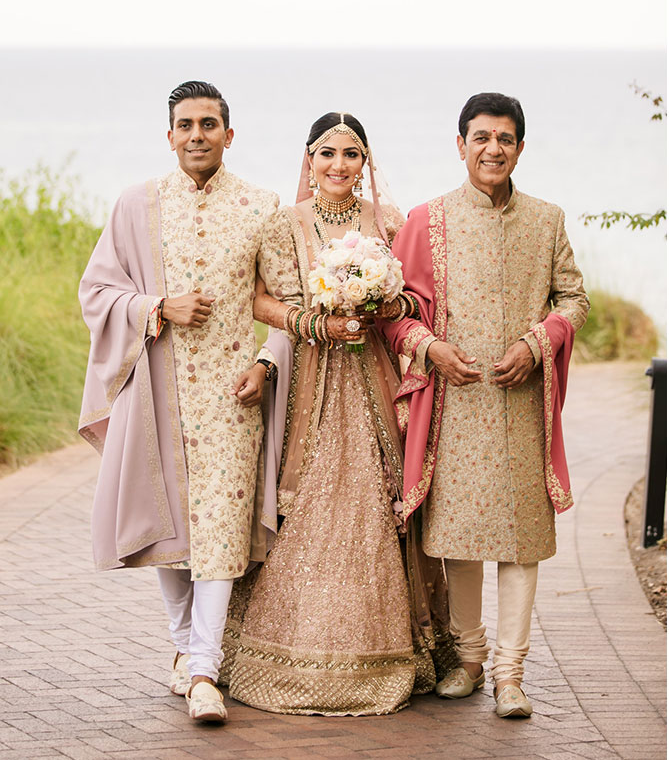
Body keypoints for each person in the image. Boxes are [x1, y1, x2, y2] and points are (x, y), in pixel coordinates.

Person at [219, 113, 454, 714]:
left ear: (366, 162)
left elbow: (413, 297)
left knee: (381, 494)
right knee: (306, 498)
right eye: (328, 154)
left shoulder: (389, 221)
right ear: (309, 159)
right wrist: (316, 321)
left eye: (352, 155)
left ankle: (401, 651)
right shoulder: (284, 224)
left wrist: (380, 300)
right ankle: (282, 650)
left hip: (375, 373)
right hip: (311, 382)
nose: (339, 166)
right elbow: (261, 301)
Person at [78, 81, 281, 724]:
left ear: (229, 133)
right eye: (185, 125)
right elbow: (97, 291)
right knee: (168, 529)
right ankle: (181, 649)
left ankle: (203, 672)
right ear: (169, 136)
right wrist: (155, 308)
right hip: (157, 391)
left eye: (209, 124)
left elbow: (287, 301)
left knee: (220, 528)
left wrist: (266, 360)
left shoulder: (262, 206)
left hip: (230, 398)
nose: (197, 134)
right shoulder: (137, 205)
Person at [381, 93, 588, 719]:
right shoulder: (427, 220)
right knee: (461, 539)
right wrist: (431, 349)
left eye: (504, 139)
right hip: (455, 405)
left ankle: (510, 674)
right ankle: (470, 660)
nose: (492, 149)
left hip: (522, 403)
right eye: (481, 138)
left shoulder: (547, 219)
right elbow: (394, 312)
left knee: (521, 543)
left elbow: (573, 298)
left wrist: (538, 342)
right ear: (461, 144)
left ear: (520, 147)